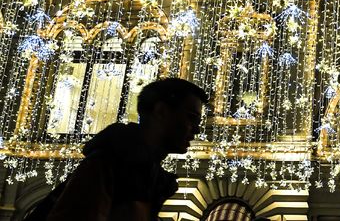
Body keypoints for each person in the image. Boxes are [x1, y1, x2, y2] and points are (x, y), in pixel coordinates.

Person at [27, 77, 208, 221]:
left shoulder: (146, 173)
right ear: (161, 111)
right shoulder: (110, 165)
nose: (197, 129)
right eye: (191, 118)